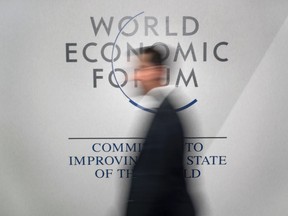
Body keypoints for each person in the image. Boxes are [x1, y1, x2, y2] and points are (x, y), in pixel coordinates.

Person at [125, 46, 197, 216]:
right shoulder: (161, 110)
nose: (135, 76)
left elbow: (154, 183)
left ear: (157, 72)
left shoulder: (165, 117)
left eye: (141, 69)